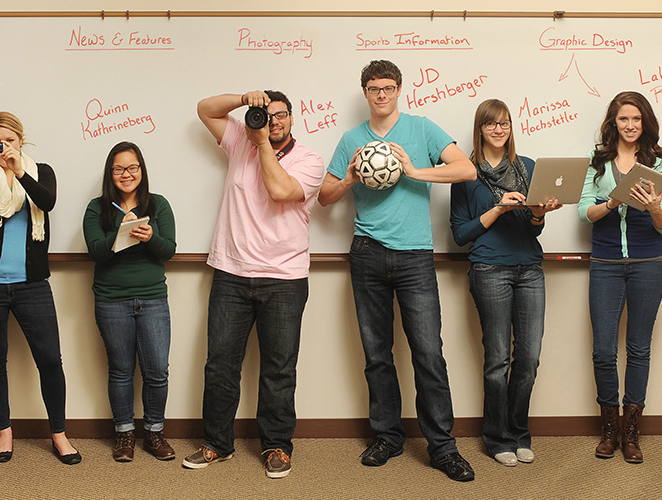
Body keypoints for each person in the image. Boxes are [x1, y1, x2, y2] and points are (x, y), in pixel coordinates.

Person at [318, 59, 478, 482]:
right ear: (366, 93)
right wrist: (350, 179)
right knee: (377, 355)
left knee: (428, 353)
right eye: (374, 88)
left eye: (388, 88)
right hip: (366, 253)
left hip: (414, 256)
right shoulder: (352, 139)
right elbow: (324, 197)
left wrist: (413, 171)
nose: (381, 95)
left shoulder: (422, 129)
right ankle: (387, 437)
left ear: (399, 90)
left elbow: (466, 169)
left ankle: (443, 448)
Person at [182, 90, 325, 479]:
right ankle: (217, 444)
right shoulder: (239, 140)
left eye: (280, 115)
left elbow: (280, 191)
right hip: (231, 272)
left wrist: (261, 143)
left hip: (284, 278)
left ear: (293, 118)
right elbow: (204, 109)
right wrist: (245, 97)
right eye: (265, 114)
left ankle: (277, 445)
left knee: (279, 368)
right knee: (220, 365)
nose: (273, 121)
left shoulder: (309, 160)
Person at [0, 111, 80, 465]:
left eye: (9, 141)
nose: (3, 148)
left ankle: (59, 435)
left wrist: (18, 171)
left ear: (21, 140)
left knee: (50, 360)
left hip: (32, 285)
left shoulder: (40, 171)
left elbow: (47, 202)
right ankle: (4, 434)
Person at [450, 99, 562, 467]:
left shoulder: (527, 167)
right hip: (489, 270)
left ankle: (519, 434)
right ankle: (497, 438)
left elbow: (534, 229)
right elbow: (460, 234)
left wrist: (538, 215)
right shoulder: (466, 173)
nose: (498, 130)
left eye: (504, 123)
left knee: (528, 359)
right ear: (480, 129)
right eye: (491, 124)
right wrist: (498, 208)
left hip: (530, 269)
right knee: (497, 360)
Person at [578, 91, 662, 464]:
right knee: (603, 350)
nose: (630, 125)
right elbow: (584, 213)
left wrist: (653, 208)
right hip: (606, 263)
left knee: (638, 348)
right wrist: (612, 202)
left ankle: (631, 434)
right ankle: (609, 430)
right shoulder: (597, 162)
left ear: (644, 123)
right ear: (613, 123)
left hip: (650, 263)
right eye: (623, 119)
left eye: (636, 119)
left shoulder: (658, 164)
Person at [83, 141, 177, 463]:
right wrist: (121, 233)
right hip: (111, 300)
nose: (126, 174)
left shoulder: (158, 204)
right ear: (110, 173)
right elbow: (95, 252)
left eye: (132, 167)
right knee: (121, 370)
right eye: (119, 169)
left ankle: (154, 432)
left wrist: (150, 238)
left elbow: (169, 250)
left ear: (141, 170)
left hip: (152, 298)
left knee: (157, 371)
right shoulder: (97, 208)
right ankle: (124, 434)